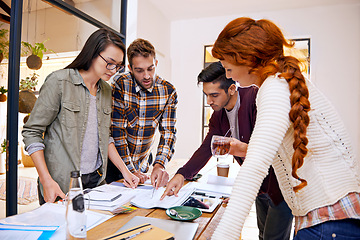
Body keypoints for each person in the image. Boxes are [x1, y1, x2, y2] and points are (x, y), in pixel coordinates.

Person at [210, 17, 360, 240]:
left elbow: (254, 169)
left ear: (246, 55)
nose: (225, 70)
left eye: (225, 60)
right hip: (335, 215)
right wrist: (245, 149)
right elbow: (284, 151)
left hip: (327, 221)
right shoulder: (284, 83)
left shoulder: (273, 88)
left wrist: (224, 234)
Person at [162, 61, 293, 240]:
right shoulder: (218, 114)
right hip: (258, 185)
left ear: (231, 88)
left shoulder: (256, 99)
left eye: (214, 95)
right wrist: (181, 174)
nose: (209, 101)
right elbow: (207, 147)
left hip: (280, 185)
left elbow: (273, 147)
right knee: (263, 235)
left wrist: (245, 152)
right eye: (206, 95)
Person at [22, 28, 140, 204]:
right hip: (61, 183)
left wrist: (126, 172)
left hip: (96, 181)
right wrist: (46, 180)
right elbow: (32, 132)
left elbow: (104, 137)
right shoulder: (59, 82)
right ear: (93, 53)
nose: (114, 70)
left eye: (118, 65)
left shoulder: (106, 90)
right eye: (109, 62)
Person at [106, 38, 177, 189]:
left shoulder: (168, 91)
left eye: (150, 68)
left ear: (156, 63)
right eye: (139, 70)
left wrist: (159, 165)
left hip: (143, 166)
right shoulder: (120, 84)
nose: (146, 76)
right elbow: (117, 131)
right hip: (116, 167)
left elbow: (168, 132)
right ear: (130, 68)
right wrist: (130, 171)